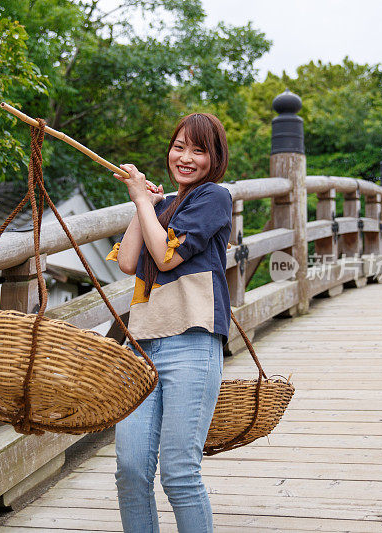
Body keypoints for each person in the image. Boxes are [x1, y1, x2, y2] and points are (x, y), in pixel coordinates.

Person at [105, 112, 233, 532]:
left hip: (191, 343)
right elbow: (127, 262)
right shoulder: (164, 206)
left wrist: (144, 201)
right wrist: (143, 203)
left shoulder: (214, 197)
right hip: (141, 348)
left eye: (199, 150)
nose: (186, 157)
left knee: (179, 474)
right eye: (179, 147)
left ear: (215, 159)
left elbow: (166, 257)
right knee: (131, 471)